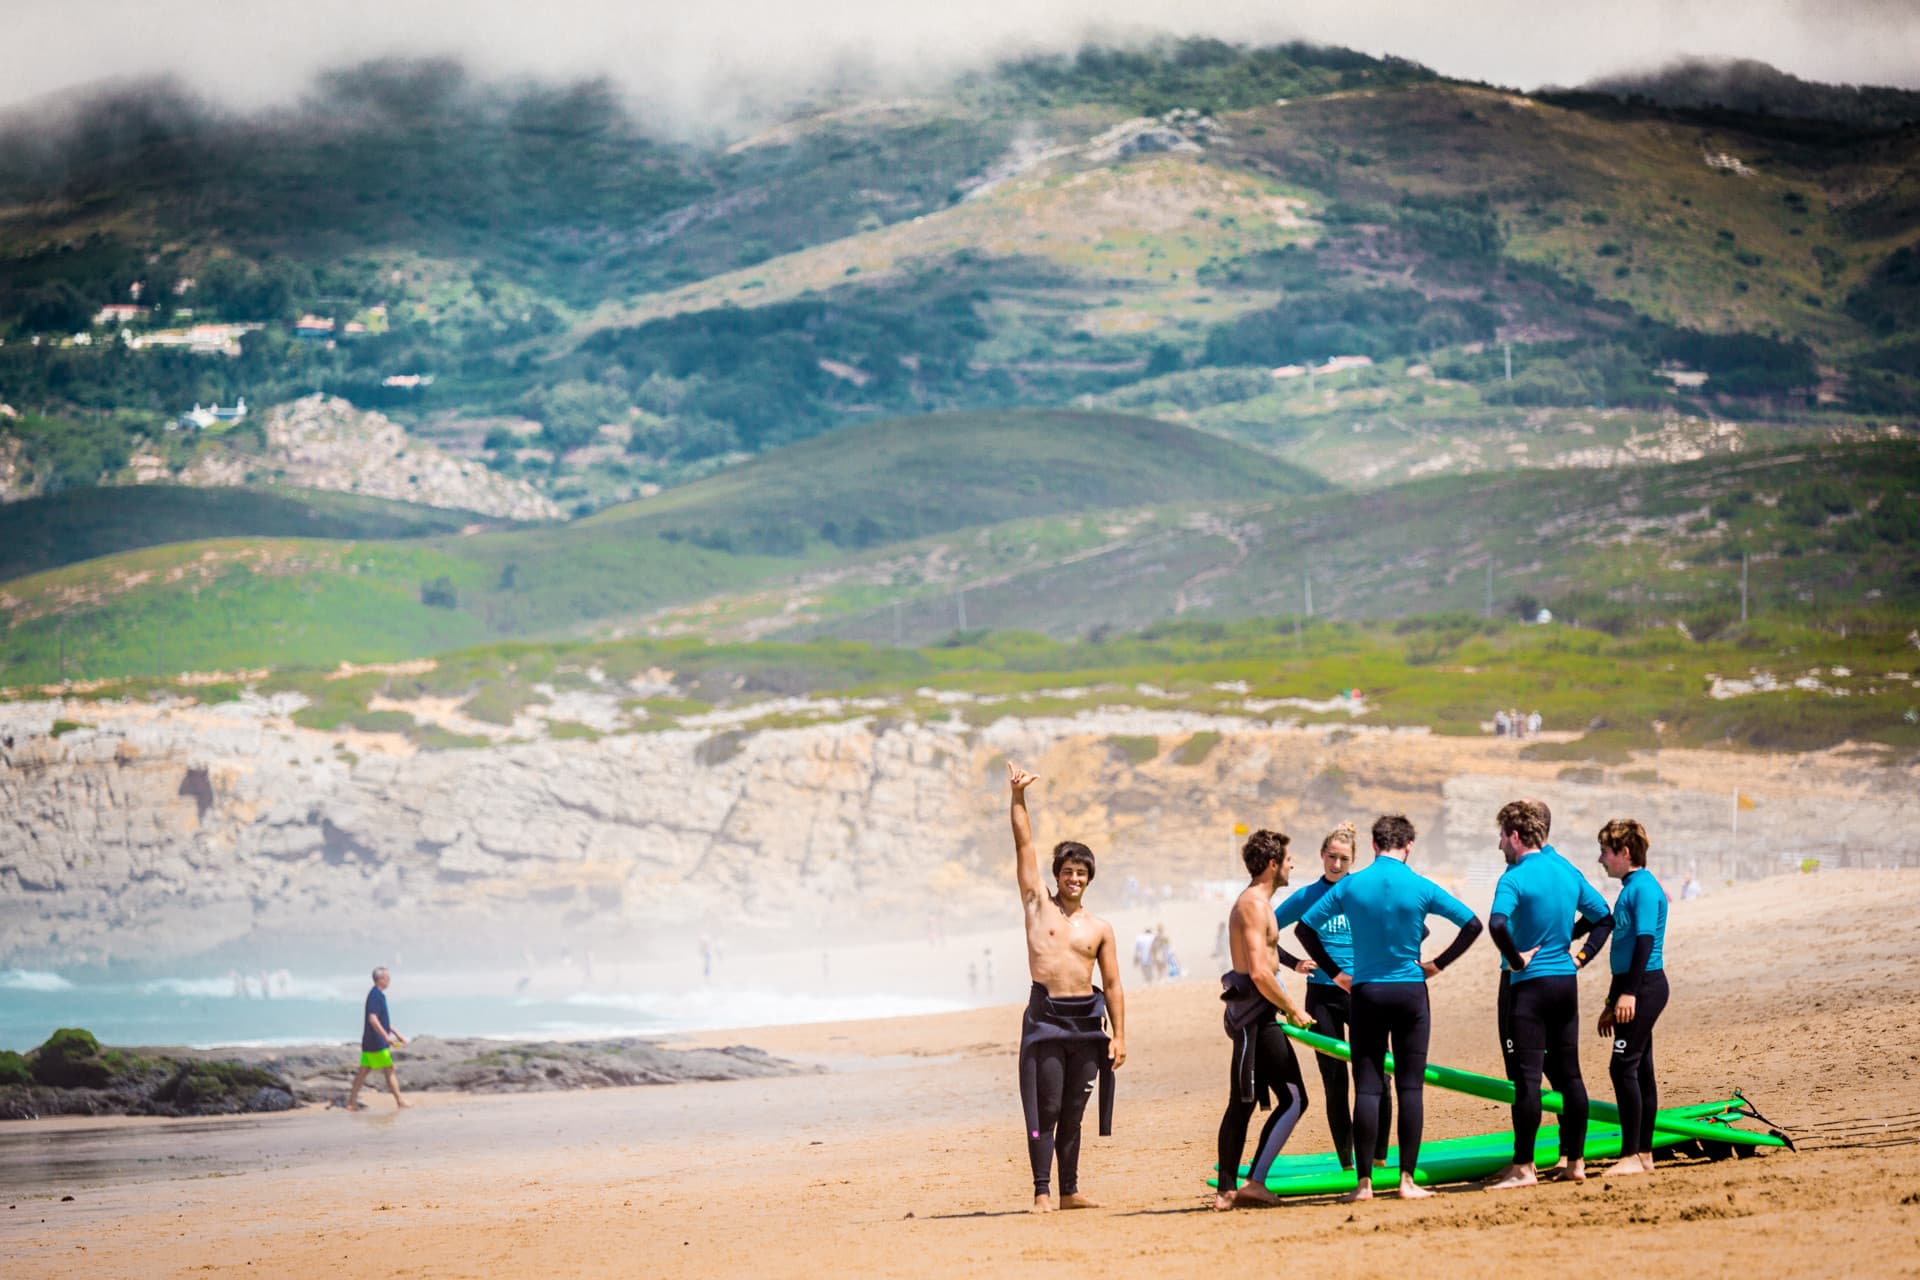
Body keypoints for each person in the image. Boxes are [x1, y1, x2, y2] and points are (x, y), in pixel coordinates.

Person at [1299, 814, 1483, 1202]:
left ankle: (1363, 1185)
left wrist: (1335, 974)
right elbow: (1471, 925)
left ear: (1373, 845)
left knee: (1366, 1088)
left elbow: (1304, 929)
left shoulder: (1352, 885)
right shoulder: (1419, 885)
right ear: (1410, 845)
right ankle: (1406, 1182)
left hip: (1365, 992)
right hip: (1410, 993)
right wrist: (1435, 965)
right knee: (1409, 1087)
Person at [1007, 762, 1127, 1213]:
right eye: (1067, 872)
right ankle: (1042, 1190)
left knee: (1075, 1111)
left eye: (1081, 873)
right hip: (1046, 1019)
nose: (1074, 879)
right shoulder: (1038, 904)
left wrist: (1120, 1034)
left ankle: (1070, 1190)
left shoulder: (1100, 927)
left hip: (1087, 1024)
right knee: (1047, 1108)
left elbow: (1113, 984)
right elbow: (1024, 843)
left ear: (1089, 878)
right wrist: (1018, 796)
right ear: (1056, 875)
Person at [1485, 800, 1613, 1190]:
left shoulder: (1514, 878)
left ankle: (1524, 1167)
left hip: (1531, 988)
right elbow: (1603, 915)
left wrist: (1516, 960)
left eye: (1503, 836)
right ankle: (1575, 1162)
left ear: (1516, 836)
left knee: (1526, 1080)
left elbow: (1496, 923)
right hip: (1564, 983)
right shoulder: (1565, 870)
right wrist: (1580, 955)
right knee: (1570, 1075)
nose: (1500, 845)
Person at [1275, 821, 1390, 1173]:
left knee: (1377, 1077)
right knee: (1335, 1081)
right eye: (1331, 857)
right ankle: (1346, 1161)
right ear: (1322, 856)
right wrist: (1294, 963)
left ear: (1353, 859)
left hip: (1363, 995)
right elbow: (1266, 930)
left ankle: (1378, 1156)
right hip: (1322, 998)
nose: (1336, 864)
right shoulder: (1308, 896)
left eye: (1343, 858)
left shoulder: (1363, 892)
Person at [1215, 830, 1316, 1209]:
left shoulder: (1260, 903)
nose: (1293, 865)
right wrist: (1293, 1007)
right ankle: (1250, 1183)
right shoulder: (1253, 905)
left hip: (1260, 1013)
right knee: (1292, 1098)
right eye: (1288, 859)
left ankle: (1230, 1189)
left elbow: (1270, 956)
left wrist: (1292, 968)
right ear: (1273, 864)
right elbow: (1258, 972)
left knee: (1243, 1102)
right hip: (1255, 1017)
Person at [1596, 818, 1669, 1176]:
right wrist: (1611, 1003)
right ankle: (1643, 1154)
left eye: (1605, 852)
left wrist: (1628, 994)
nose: (1601, 859)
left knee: (1622, 1067)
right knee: (1640, 1069)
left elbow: (1644, 942)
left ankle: (1631, 1156)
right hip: (1634, 987)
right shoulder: (1631, 887)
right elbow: (1621, 955)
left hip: (1645, 987)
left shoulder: (1642, 888)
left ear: (1625, 853)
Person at [346, 966, 408, 1111]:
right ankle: (400, 1101)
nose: (389, 981)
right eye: (388, 978)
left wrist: (397, 1034)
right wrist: (386, 1037)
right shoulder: (375, 995)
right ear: (380, 979)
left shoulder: (377, 994)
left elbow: (383, 1020)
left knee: (363, 1072)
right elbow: (373, 1019)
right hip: (376, 1042)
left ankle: (351, 1102)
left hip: (371, 1041)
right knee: (389, 1069)